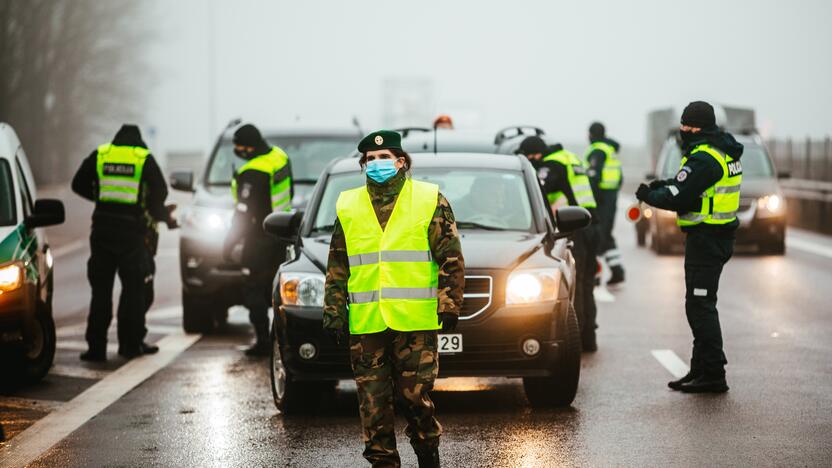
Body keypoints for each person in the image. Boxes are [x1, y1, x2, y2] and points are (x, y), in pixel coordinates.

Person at [323, 130, 464, 468]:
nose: (377, 164)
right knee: (373, 404)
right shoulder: (349, 204)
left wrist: (449, 302)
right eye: (370, 159)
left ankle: (428, 453)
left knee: (414, 399)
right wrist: (333, 311)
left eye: (384, 158)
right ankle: (383, 462)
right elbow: (338, 264)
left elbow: (450, 256)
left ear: (401, 162)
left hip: (414, 323)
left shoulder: (429, 199)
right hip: (367, 323)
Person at [636, 101, 742, 393]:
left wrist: (649, 194)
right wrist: (662, 184)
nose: (683, 130)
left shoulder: (705, 159)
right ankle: (699, 370)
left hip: (708, 240)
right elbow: (690, 188)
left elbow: (680, 197)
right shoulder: (719, 151)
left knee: (700, 307)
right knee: (699, 305)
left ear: (698, 128)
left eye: (687, 126)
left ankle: (713, 374)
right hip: (714, 236)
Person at [72, 124, 170, 361]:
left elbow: (77, 184)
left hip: (102, 231)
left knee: (101, 292)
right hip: (131, 233)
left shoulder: (102, 154)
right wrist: (149, 207)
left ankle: (96, 348)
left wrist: (103, 198)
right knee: (133, 291)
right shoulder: (142, 158)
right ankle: (130, 345)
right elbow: (162, 191)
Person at [517, 136, 600, 352]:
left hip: (577, 228)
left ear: (534, 154)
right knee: (586, 283)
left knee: (576, 282)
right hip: (591, 223)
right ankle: (589, 336)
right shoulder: (569, 157)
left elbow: (537, 189)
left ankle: (577, 340)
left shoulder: (550, 165)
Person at [223, 123, 293, 356]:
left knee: (254, 289)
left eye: (239, 146)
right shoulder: (280, 157)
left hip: (258, 239)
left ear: (248, 147)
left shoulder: (252, 171)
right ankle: (283, 338)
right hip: (282, 234)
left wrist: (229, 244)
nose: (237, 150)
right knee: (278, 289)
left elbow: (243, 215)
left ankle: (263, 340)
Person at [584, 122, 624, 286]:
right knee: (606, 235)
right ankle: (617, 272)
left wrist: (591, 201)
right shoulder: (610, 149)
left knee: (597, 235)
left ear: (591, 134)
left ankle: (595, 275)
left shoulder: (598, 150)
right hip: (611, 196)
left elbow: (594, 176)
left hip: (600, 199)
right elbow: (619, 178)